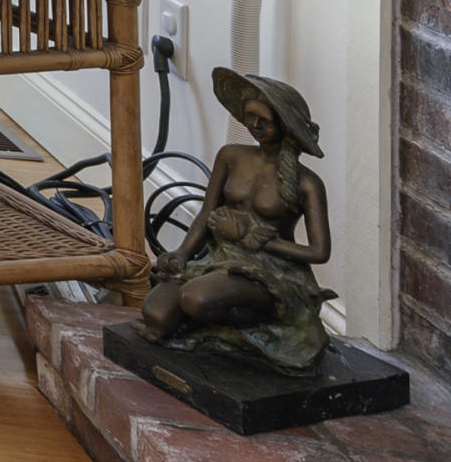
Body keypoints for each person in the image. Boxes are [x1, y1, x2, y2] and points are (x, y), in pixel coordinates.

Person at [138, 69, 334, 372]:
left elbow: (319, 252)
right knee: (156, 317)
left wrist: (260, 239)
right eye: (249, 117)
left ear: (285, 124)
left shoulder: (307, 183)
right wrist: (182, 253)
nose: (254, 126)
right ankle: (220, 314)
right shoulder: (231, 156)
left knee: (194, 300)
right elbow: (207, 212)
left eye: (264, 121)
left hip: (271, 271)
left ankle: (272, 318)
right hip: (221, 260)